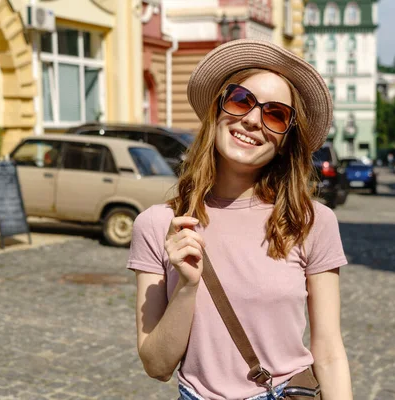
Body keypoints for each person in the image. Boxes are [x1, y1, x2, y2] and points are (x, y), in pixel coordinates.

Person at [127, 39, 352, 400]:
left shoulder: (311, 222)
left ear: (286, 139)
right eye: (241, 100)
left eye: (275, 114)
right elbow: (157, 366)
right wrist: (186, 286)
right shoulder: (159, 225)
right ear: (217, 108)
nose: (251, 119)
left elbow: (328, 351)